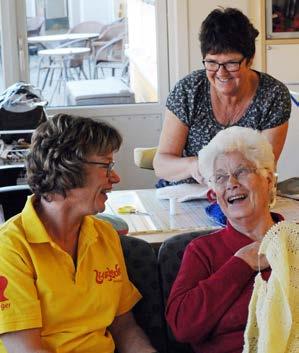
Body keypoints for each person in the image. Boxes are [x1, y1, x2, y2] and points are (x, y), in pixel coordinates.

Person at [0, 114, 158, 353]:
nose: (115, 177)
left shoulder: (104, 234)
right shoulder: (10, 248)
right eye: (106, 166)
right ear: (66, 169)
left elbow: (124, 326)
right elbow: (27, 350)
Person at [166, 126, 283, 353]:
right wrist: (241, 264)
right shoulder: (203, 251)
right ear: (214, 193)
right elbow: (182, 327)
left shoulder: (293, 241)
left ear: (268, 179)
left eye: (241, 171)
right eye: (220, 178)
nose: (231, 183)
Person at [153, 7, 291, 185]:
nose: (221, 73)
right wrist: (193, 165)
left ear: (249, 60)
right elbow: (161, 164)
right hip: (186, 193)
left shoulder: (273, 95)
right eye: (211, 62)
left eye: (231, 63)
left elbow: (265, 168)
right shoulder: (189, 90)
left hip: (243, 194)